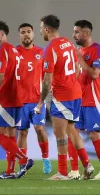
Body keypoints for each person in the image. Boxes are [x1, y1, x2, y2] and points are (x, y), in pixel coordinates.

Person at [35, 14, 94, 180]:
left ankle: (62, 172)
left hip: (62, 96)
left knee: (60, 134)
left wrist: (40, 102)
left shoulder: (50, 49)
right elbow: (76, 67)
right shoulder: (68, 42)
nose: (41, 33)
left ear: (47, 29)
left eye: (41, 29)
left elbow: (47, 81)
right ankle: (87, 165)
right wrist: (70, 83)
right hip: (75, 93)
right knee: (72, 130)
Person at [0, 20, 33, 179]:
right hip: (18, 98)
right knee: (10, 136)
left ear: (2, 34)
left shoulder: (2, 50)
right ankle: (10, 171)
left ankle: (24, 160)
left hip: (6, 98)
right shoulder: (14, 50)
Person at [13, 23, 51, 174]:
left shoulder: (42, 52)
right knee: (22, 132)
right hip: (19, 101)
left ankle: (46, 158)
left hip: (37, 100)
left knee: (39, 129)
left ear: (34, 34)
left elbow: (47, 75)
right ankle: (23, 162)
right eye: (23, 32)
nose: (26, 34)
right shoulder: (14, 53)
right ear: (19, 35)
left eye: (29, 32)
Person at [67, 20, 100, 180]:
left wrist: (80, 59)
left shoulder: (97, 50)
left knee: (94, 134)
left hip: (93, 99)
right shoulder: (78, 51)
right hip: (78, 99)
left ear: (86, 33)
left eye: (77, 32)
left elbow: (94, 74)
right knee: (72, 133)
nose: (74, 35)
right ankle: (75, 171)